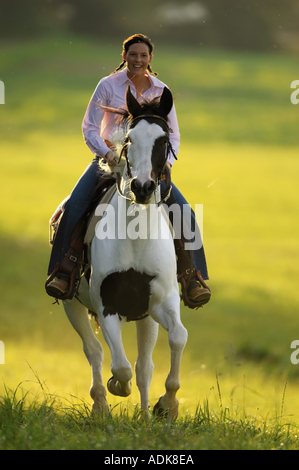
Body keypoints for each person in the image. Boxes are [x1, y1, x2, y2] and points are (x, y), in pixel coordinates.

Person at [46, 33, 211, 308]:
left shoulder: (161, 91)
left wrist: (166, 164)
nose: (138, 60)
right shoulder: (107, 86)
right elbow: (89, 127)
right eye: (133, 54)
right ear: (124, 56)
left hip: (148, 165)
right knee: (75, 205)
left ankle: (192, 277)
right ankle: (63, 271)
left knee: (185, 212)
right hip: (109, 162)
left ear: (150, 59)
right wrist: (108, 154)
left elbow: (174, 135)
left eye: (143, 55)